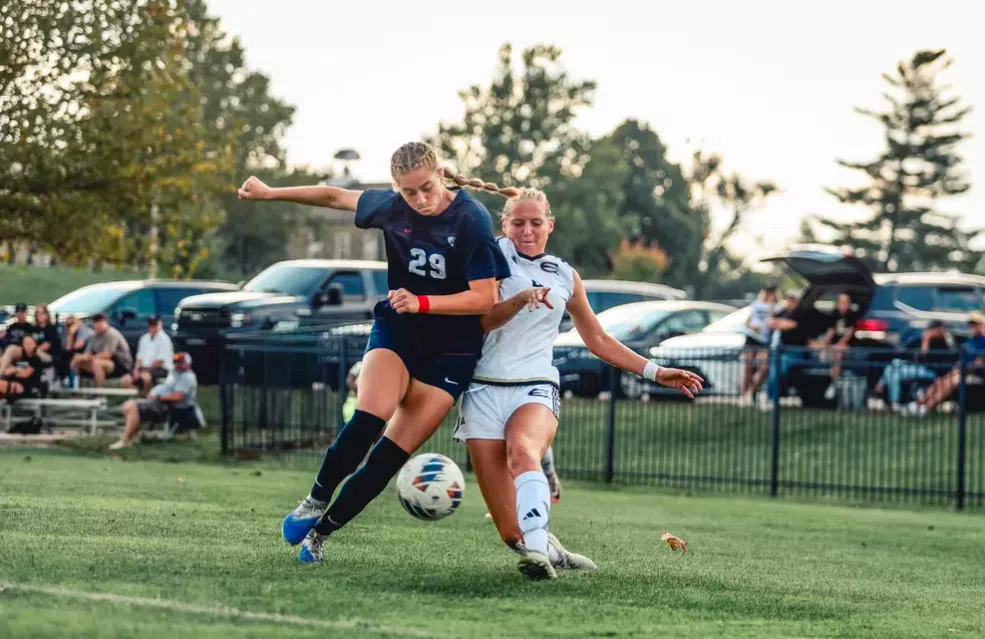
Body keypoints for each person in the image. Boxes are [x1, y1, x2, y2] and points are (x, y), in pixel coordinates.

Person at [238, 141, 511, 562]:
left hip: (452, 353)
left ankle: (321, 534)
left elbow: (484, 298)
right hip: (398, 332)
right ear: (395, 189)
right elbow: (332, 195)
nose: (419, 199)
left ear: (441, 174)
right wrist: (270, 193)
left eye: (425, 188)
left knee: (385, 458)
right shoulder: (390, 208)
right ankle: (314, 500)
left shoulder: (470, 218)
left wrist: (422, 302)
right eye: (408, 192)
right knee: (368, 420)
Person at [455, 189, 703, 579]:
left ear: (550, 224)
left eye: (536, 222)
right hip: (482, 390)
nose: (527, 229)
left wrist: (656, 371)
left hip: (534, 385)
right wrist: (520, 299)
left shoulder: (564, 274)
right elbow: (479, 322)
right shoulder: (486, 256)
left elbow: (598, 340)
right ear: (504, 224)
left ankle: (537, 553)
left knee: (523, 451)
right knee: (510, 533)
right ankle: (551, 552)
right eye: (518, 222)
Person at [110, 351, 199, 449]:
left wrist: (159, 397)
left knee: (134, 407)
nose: (177, 364)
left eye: (180, 362)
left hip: (172, 408)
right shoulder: (174, 374)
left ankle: (125, 440)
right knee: (128, 405)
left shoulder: (187, 377)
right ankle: (133, 437)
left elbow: (177, 397)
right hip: (161, 403)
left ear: (187, 363)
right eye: (176, 362)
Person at [907, 311, 985, 417]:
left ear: (981, 325)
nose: (971, 326)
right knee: (940, 381)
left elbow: (978, 362)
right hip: (960, 371)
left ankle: (927, 407)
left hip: (975, 373)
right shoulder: (969, 341)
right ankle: (918, 403)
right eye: (970, 323)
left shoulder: (983, 341)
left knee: (952, 381)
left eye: (975, 324)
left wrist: (962, 369)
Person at [873, 320, 956, 410]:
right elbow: (905, 353)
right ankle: (893, 402)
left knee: (894, 369)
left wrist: (926, 340)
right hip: (916, 367)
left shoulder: (943, 343)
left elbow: (926, 358)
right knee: (894, 365)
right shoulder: (919, 340)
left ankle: (884, 390)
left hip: (931, 370)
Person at [70, 313, 133, 386]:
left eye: (101, 321)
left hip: (121, 365)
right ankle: (78, 391)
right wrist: (81, 357)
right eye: (96, 321)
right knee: (76, 362)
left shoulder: (111, 334)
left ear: (106, 323)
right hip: (103, 361)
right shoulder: (93, 336)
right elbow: (87, 353)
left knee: (96, 363)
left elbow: (107, 355)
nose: (99, 324)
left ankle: (100, 394)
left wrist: (87, 357)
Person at [740, 284, 778, 403]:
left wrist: (771, 304)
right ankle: (743, 395)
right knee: (748, 367)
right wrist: (752, 327)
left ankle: (753, 391)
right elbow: (747, 322)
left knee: (763, 368)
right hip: (752, 337)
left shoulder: (777, 307)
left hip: (765, 340)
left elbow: (773, 320)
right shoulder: (756, 304)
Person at [818, 292, 859, 400]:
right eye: (841, 302)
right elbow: (831, 332)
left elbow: (849, 334)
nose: (843, 304)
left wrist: (837, 345)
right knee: (822, 349)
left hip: (847, 346)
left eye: (845, 302)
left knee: (838, 354)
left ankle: (834, 383)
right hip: (834, 347)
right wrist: (824, 344)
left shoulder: (852, 315)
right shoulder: (834, 315)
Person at [121, 316, 174, 393]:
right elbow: (139, 358)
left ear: (160, 325)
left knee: (145, 377)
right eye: (151, 325)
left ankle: (146, 399)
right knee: (126, 379)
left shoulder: (165, 340)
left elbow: (160, 362)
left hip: (161, 369)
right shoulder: (144, 338)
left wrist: (145, 371)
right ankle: (134, 398)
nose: (153, 327)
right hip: (145, 368)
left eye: (155, 325)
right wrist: (136, 369)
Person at [0, 302, 36, 372]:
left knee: (11, 349)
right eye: (18, 312)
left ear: (26, 313)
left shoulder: (30, 328)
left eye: (22, 312)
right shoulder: (11, 327)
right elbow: (4, 337)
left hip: (22, 351)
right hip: (8, 351)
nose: (20, 314)